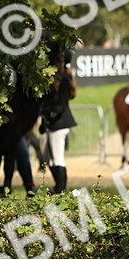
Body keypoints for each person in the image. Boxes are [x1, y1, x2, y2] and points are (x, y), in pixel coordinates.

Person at [40, 45, 77, 193]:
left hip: (59, 123)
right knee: (49, 159)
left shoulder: (64, 81)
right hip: (52, 123)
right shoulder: (53, 80)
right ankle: (58, 187)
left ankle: (60, 189)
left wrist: (50, 116)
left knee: (58, 158)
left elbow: (60, 105)